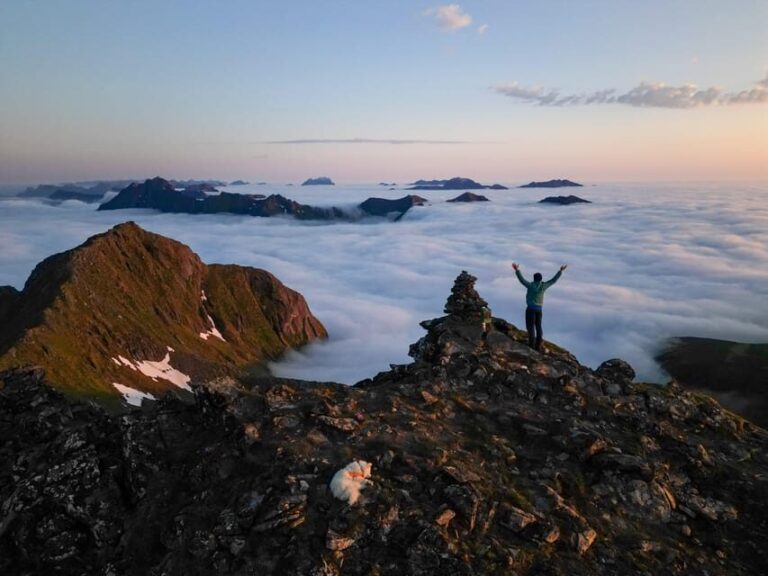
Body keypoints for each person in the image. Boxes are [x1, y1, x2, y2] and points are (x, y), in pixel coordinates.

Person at [512, 262, 567, 351]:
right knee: (538, 327)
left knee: (530, 327)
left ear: (534, 279)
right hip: (539, 310)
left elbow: (522, 280)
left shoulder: (530, 285)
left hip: (530, 309)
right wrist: (560, 271)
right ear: (541, 279)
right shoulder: (543, 286)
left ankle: (531, 346)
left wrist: (517, 270)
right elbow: (553, 280)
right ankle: (538, 346)